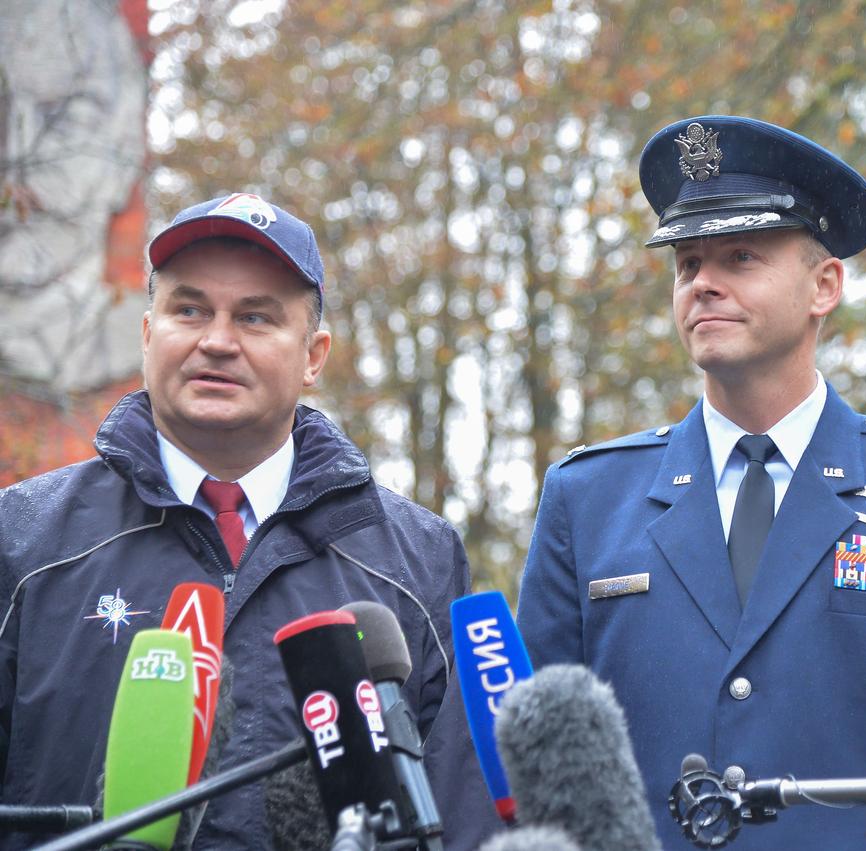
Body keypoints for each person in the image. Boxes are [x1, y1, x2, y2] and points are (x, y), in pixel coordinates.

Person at [517, 117, 866, 849]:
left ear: (823, 286)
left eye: (740, 257)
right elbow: (539, 783)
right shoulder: (586, 501)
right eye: (686, 264)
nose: (703, 283)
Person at [0, 194, 498, 849]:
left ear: (313, 356)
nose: (216, 341)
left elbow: (462, 816)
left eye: (255, 317)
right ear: (148, 334)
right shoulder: (24, 540)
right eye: (189, 310)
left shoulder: (419, 559)